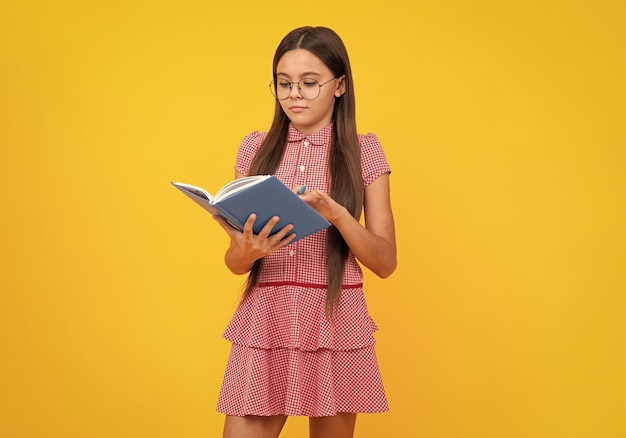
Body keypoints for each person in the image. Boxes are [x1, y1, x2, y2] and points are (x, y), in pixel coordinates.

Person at [212, 26, 397, 438]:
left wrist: (339, 216)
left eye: (310, 83)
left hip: (335, 319)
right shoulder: (255, 148)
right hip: (265, 318)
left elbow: (386, 262)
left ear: (340, 86)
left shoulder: (364, 151)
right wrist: (247, 249)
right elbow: (234, 263)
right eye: (284, 83)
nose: (294, 94)